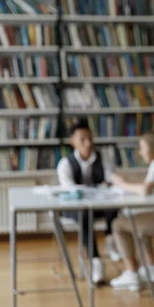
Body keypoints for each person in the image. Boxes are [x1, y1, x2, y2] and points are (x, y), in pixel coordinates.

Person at [108, 132, 154, 291]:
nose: (140, 152)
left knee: (118, 225)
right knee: (137, 219)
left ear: (152, 148)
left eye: (142, 148)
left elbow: (146, 190)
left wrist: (122, 183)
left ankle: (131, 273)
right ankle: (151, 267)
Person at [56, 119, 120, 284]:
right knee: (84, 215)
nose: (88, 143)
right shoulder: (65, 163)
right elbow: (69, 188)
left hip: (99, 204)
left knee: (113, 207)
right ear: (73, 142)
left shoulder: (103, 157)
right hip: (75, 207)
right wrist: (95, 187)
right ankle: (95, 260)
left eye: (90, 138)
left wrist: (105, 185)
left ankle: (110, 241)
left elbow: (110, 179)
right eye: (83, 139)